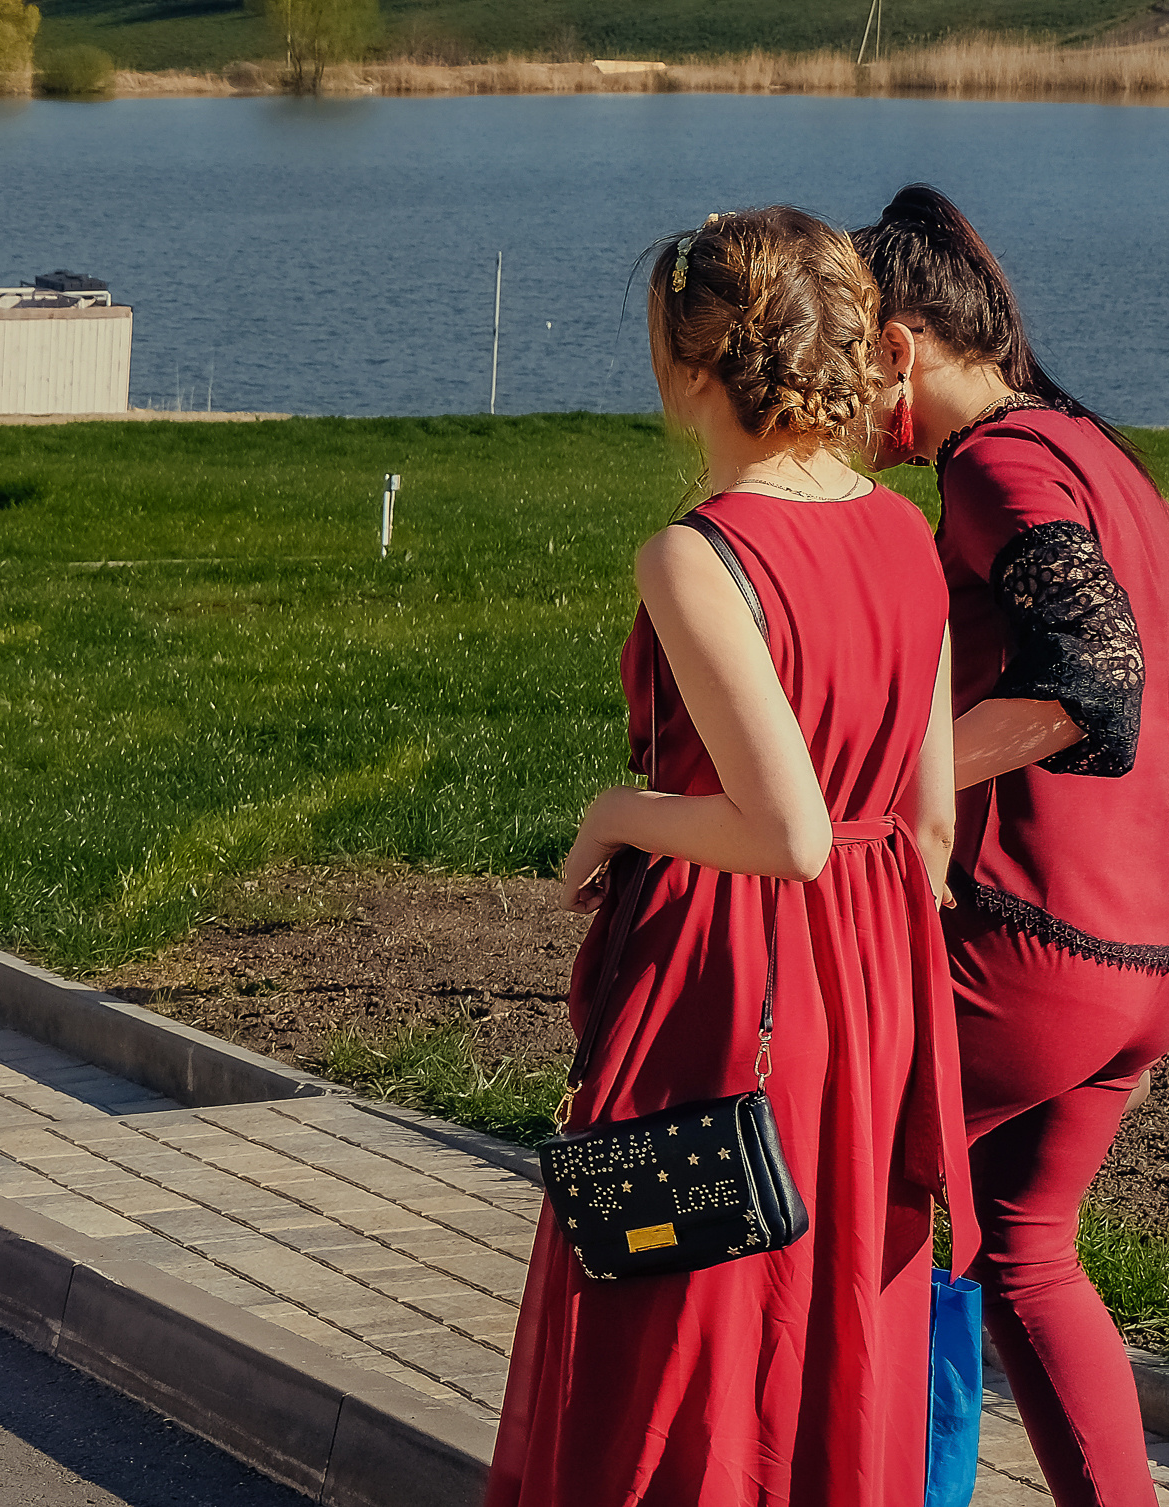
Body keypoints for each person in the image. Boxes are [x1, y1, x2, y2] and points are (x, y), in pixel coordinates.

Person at [486, 208, 976, 1507]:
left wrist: (617, 811)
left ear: (695, 365)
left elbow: (788, 833)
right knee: (832, 1318)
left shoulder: (698, 554)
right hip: (874, 988)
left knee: (678, 1328)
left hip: (725, 981)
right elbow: (927, 826)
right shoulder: (907, 535)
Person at [854, 184, 1169, 1507]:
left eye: (848, 363)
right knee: (1027, 1250)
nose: (838, 402)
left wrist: (879, 786)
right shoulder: (1105, 459)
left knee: (829, 1197)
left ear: (900, 345)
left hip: (1034, 951)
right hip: (1161, 955)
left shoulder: (991, 463)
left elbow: (1096, 678)